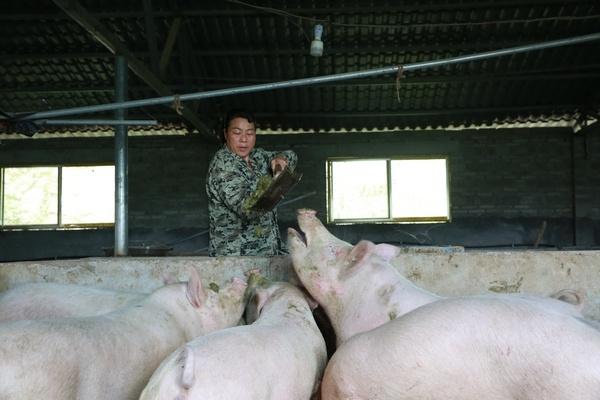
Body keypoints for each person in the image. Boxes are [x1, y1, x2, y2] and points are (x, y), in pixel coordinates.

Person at [206, 109, 298, 256]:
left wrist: (280, 160)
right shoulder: (223, 166)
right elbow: (248, 209)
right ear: (225, 134)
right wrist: (275, 187)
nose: (244, 139)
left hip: (266, 251)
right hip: (237, 257)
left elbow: (291, 156)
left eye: (249, 133)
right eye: (237, 133)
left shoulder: (256, 156)